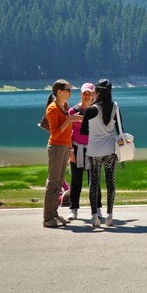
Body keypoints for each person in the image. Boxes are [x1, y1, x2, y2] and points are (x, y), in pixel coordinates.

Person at [42, 79, 82, 228]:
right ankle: (48, 218)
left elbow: (67, 131)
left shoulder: (64, 105)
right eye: (68, 90)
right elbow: (55, 133)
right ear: (59, 92)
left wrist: (70, 149)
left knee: (59, 183)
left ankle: (54, 214)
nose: (70, 92)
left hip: (64, 147)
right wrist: (70, 119)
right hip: (56, 148)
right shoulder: (52, 109)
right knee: (53, 184)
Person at [82, 78, 121, 227]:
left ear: (97, 92)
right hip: (110, 150)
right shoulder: (115, 107)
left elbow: (83, 131)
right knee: (110, 182)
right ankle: (110, 216)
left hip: (94, 151)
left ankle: (94, 216)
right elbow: (120, 129)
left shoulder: (91, 109)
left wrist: (95, 130)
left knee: (94, 183)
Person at [67, 82, 99, 220]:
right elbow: (68, 131)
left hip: (93, 149)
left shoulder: (97, 110)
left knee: (94, 180)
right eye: (84, 93)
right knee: (76, 180)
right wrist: (70, 150)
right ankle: (73, 209)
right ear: (80, 94)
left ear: (93, 95)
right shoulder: (73, 111)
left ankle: (97, 209)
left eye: (89, 93)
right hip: (76, 148)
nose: (86, 96)